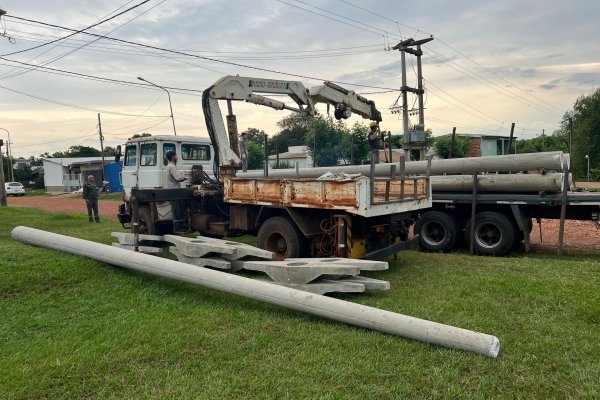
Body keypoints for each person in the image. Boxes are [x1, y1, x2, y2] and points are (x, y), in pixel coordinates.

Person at [165, 150, 188, 233]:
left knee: (177, 209)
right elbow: (178, 178)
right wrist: (184, 176)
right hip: (175, 191)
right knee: (177, 210)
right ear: (172, 157)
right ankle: (178, 228)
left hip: (172, 191)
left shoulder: (169, 166)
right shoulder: (172, 167)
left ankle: (180, 226)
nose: (177, 157)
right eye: (176, 156)